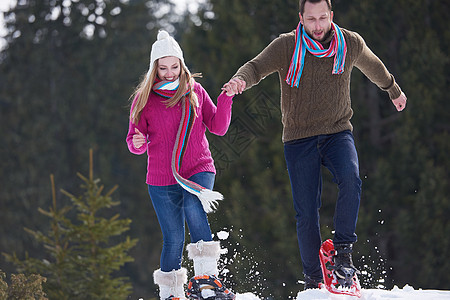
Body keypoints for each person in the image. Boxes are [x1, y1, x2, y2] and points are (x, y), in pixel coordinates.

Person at [223, 0, 407, 290]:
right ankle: (313, 279)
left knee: (351, 178)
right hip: (298, 139)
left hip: (337, 133)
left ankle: (343, 254)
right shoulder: (286, 46)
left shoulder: (350, 43)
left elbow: (374, 67)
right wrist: (239, 80)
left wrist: (393, 90)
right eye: (311, 20)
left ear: (331, 16)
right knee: (306, 211)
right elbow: (256, 67)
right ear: (301, 18)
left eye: (323, 18)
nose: (318, 26)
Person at [126, 30, 236, 300]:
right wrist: (138, 142)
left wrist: (226, 99)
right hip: (161, 180)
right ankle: (171, 294)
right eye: (163, 68)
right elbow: (133, 141)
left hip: (198, 167)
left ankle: (207, 280)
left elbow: (218, 127)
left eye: (174, 66)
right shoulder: (143, 100)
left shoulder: (194, 91)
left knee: (192, 203)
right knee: (173, 238)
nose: (169, 72)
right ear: (154, 69)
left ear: (182, 64)